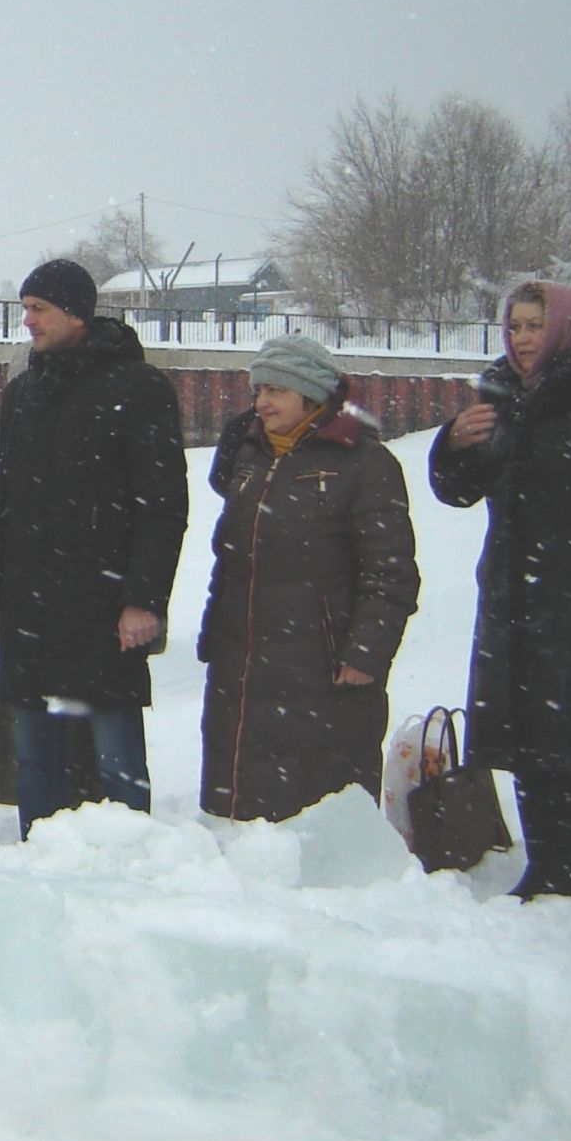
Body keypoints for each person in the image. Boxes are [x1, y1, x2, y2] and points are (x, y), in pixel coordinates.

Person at [430, 280, 571, 899]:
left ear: (563, 328)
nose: (523, 339)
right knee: (527, 732)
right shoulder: (500, 399)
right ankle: (542, 862)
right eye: (514, 327)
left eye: (534, 325)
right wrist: (453, 444)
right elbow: (457, 491)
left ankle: (568, 863)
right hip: (513, 596)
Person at [0, 260, 188, 836]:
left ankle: (133, 860)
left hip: (104, 603)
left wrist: (144, 599)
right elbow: (3, 499)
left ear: (75, 313)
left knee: (115, 752)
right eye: (26, 308)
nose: (28, 321)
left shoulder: (138, 388)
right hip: (32, 603)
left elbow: (163, 506)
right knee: (36, 754)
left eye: (39, 308)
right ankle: (40, 852)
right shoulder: (24, 392)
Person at [197, 337, 419, 822]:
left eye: (276, 389)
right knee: (239, 794)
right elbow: (230, 558)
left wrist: (366, 652)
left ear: (311, 394)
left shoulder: (363, 463)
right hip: (242, 656)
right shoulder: (251, 456)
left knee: (316, 798)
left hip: (322, 660)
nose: (262, 403)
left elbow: (390, 572)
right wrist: (216, 635)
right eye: (258, 389)